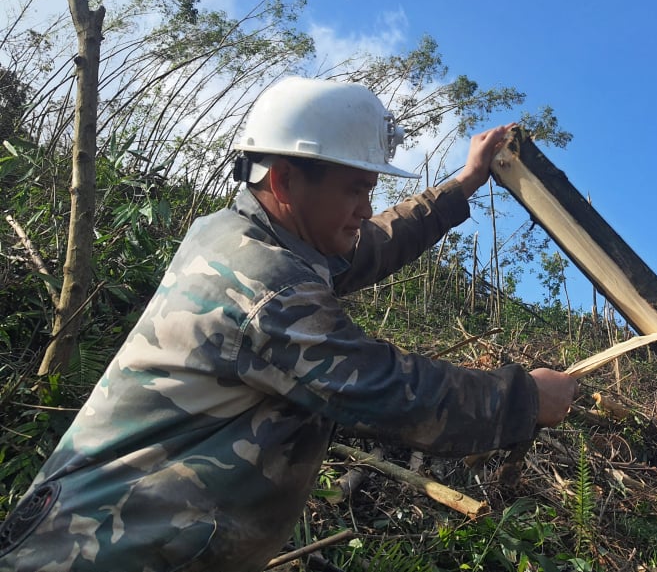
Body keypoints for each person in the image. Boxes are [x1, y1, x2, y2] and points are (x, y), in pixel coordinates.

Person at [0, 77, 578, 571]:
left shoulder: (256, 236)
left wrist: (462, 186)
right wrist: (523, 399)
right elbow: (386, 391)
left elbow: (368, 243)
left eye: (370, 190)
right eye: (356, 190)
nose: (364, 207)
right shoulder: (260, 281)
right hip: (92, 553)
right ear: (283, 182)